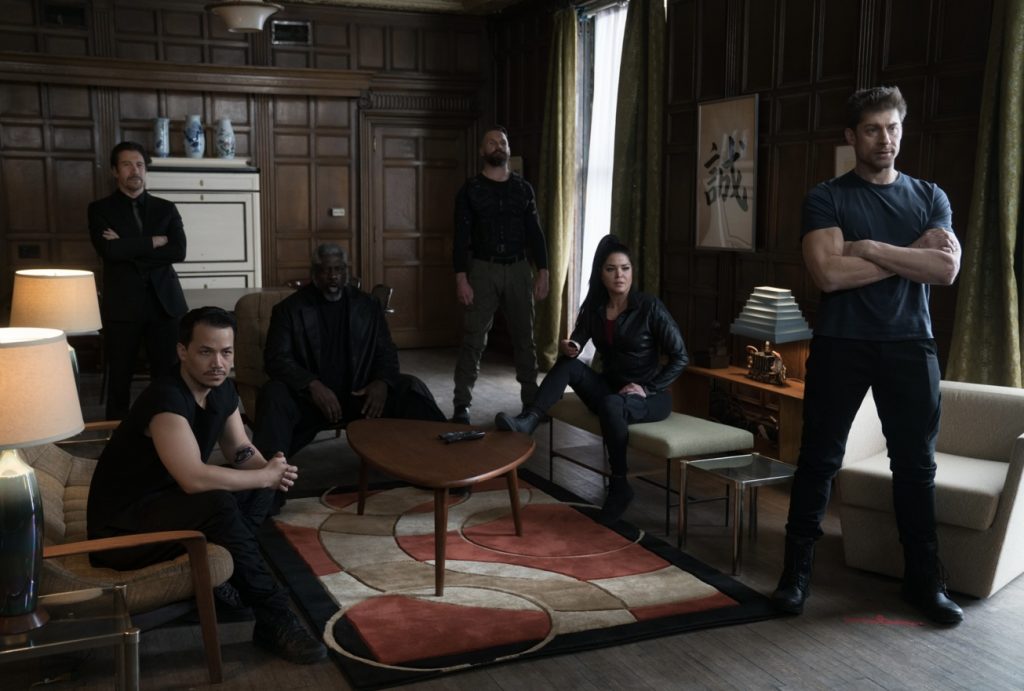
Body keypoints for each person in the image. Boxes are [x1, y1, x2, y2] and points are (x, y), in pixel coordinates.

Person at [771, 86, 963, 624]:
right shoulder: (827, 197)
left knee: (916, 466)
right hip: (842, 343)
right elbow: (829, 275)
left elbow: (945, 269)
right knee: (818, 460)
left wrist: (872, 248)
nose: (886, 139)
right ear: (852, 136)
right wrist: (910, 254)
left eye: (893, 127)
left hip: (911, 345)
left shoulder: (930, 197)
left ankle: (924, 582)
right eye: (874, 129)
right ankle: (794, 576)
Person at [86, 307, 327, 664]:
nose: (218, 363)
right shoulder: (166, 401)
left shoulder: (222, 389)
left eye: (226, 352)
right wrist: (263, 476)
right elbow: (193, 478)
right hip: (123, 528)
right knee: (219, 501)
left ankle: (228, 575)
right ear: (183, 351)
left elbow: (239, 449)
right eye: (206, 352)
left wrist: (271, 470)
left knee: (256, 488)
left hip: (169, 504)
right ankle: (274, 615)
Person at [494, 235, 688, 522]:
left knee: (611, 404)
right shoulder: (595, 307)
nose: (619, 275)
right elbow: (577, 342)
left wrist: (647, 388)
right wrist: (569, 346)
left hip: (649, 397)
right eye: (611, 269)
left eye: (625, 268)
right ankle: (530, 420)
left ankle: (620, 485)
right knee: (568, 365)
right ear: (601, 274)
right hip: (611, 390)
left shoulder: (649, 307)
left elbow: (680, 356)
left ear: (632, 271)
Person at [253, 243, 445, 461]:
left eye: (339, 269)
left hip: (361, 397)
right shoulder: (290, 309)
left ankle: (449, 454)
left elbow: (386, 351)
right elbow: (276, 359)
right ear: (314, 274)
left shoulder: (367, 305)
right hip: (312, 402)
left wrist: (382, 382)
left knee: (410, 388)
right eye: (326, 270)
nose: (333, 276)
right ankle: (266, 471)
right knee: (273, 393)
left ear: (346, 272)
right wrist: (312, 385)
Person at [451, 126, 550, 425]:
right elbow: (460, 237)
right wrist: (461, 277)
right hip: (483, 268)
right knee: (474, 338)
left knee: (525, 338)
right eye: (492, 142)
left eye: (502, 142)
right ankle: (461, 405)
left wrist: (543, 270)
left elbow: (535, 233)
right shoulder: (470, 190)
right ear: (482, 151)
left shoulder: (523, 189)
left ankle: (531, 403)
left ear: (508, 149)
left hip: (519, 268)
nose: (498, 146)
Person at [88, 141, 188, 421]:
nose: (135, 170)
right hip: (122, 307)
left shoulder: (166, 208)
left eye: (140, 165)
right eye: (127, 165)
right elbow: (109, 251)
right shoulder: (99, 209)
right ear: (114, 171)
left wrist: (127, 246)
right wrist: (153, 242)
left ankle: (168, 429)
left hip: (164, 305)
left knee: (167, 377)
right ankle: (116, 436)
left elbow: (178, 251)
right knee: (119, 379)